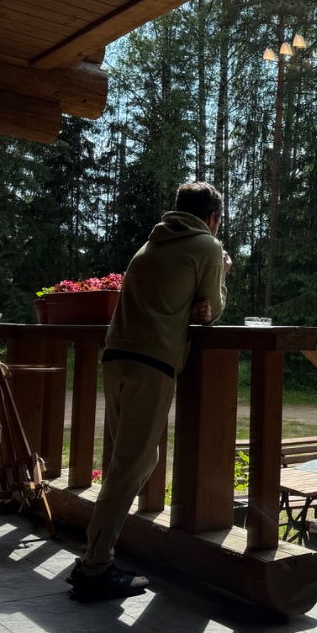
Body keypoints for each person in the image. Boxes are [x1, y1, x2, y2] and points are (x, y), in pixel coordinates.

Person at [68, 182, 231, 602]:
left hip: (116, 356)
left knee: (137, 461)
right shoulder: (208, 246)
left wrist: (192, 306)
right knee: (130, 467)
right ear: (212, 218)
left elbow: (181, 301)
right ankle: (94, 567)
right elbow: (213, 309)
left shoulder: (151, 244)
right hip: (152, 361)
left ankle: (92, 553)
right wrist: (222, 273)